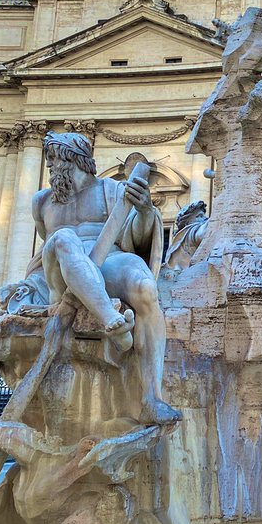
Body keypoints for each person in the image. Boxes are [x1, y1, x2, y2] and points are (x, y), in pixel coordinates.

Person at [34, 132, 177, 424]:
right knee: (63, 238)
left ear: (76, 159)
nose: (49, 166)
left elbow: (133, 239)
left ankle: (152, 397)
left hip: (107, 257)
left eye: (54, 159)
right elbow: (43, 250)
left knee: (145, 288)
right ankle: (110, 318)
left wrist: (144, 211)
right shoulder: (42, 202)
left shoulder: (112, 191)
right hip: (63, 269)